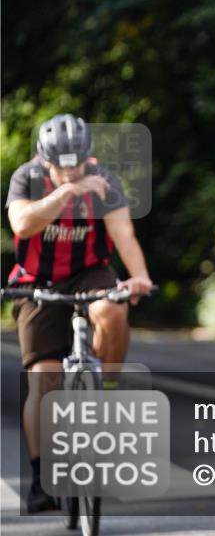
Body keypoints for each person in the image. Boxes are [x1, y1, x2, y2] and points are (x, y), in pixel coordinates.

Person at [5, 114, 153, 512]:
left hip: (90, 272)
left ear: (89, 157)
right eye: (62, 165)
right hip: (37, 281)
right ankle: (41, 480)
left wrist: (138, 277)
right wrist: (66, 194)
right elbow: (21, 222)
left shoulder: (104, 180)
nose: (71, 171)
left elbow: (123, 233)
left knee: (114, 311)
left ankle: (103, 391)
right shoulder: (27, 177)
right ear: (44, 159)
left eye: (78, 163)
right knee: (43, 381)